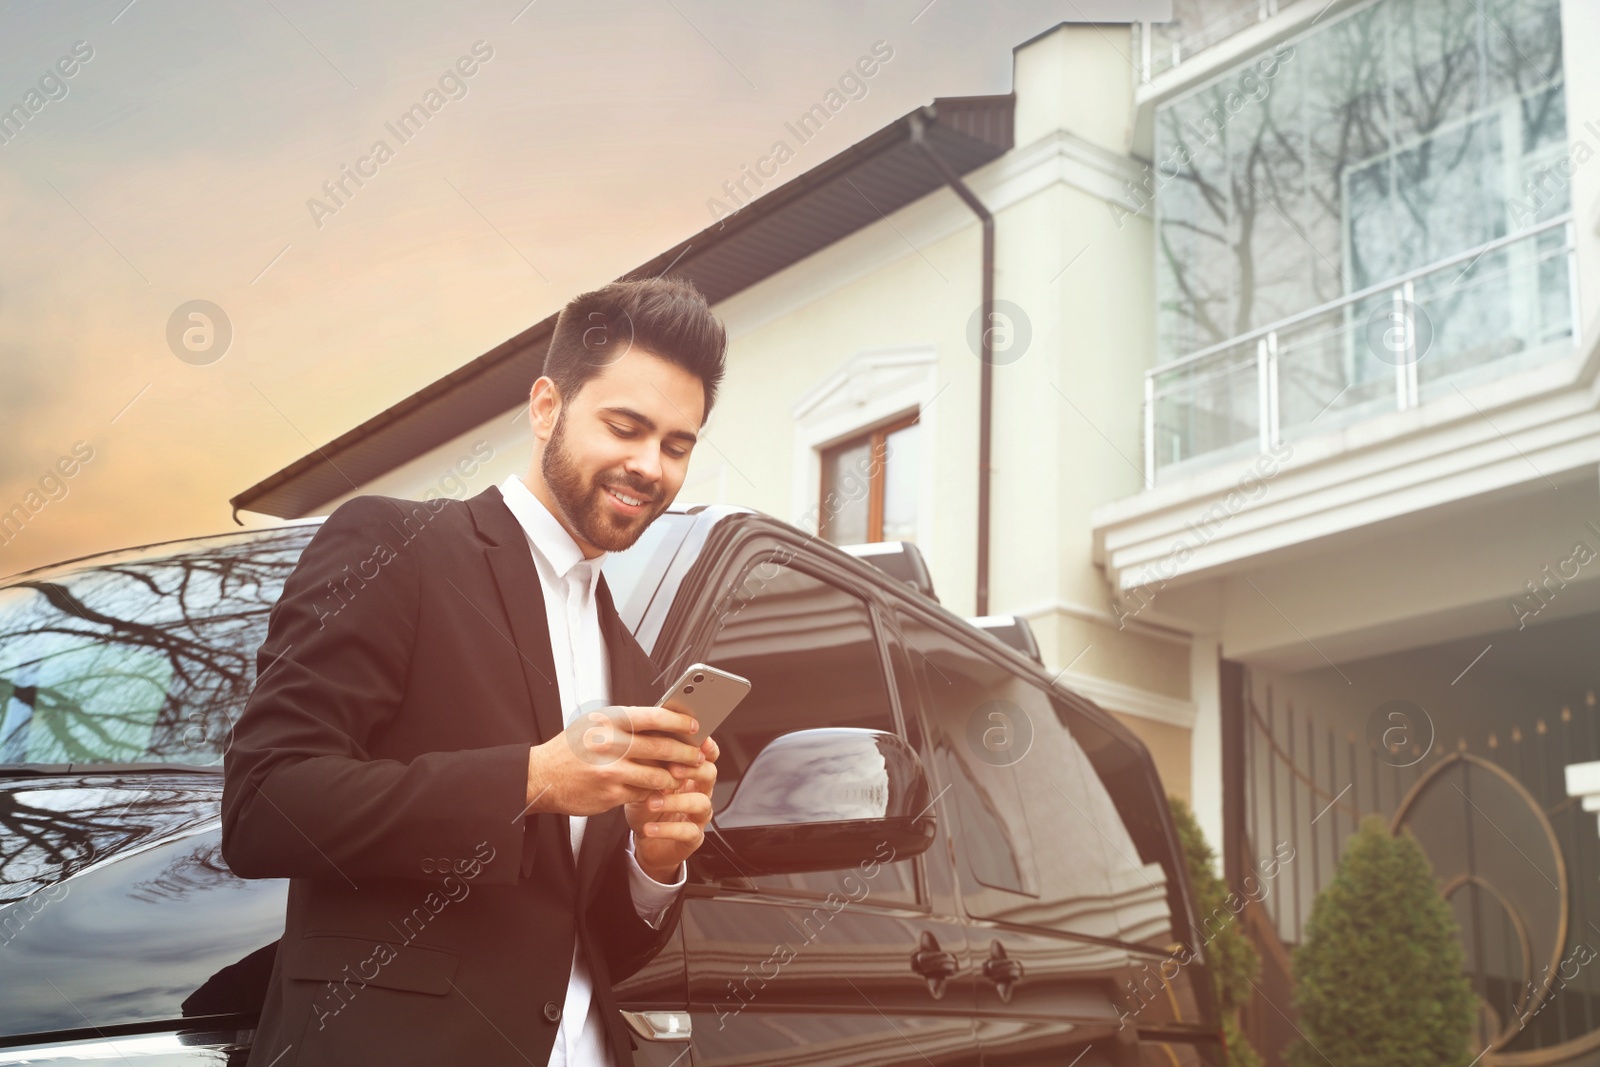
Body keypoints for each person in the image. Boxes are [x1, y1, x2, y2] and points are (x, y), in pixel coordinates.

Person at [221, 275, 728, 1066]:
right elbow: (264, 805)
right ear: (546, 408)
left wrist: (653, 863)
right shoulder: (395, 546)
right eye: (625, 427)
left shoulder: (632, 660)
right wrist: (531, 779)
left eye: (676, 445)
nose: (649, 466)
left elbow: (585, 949)